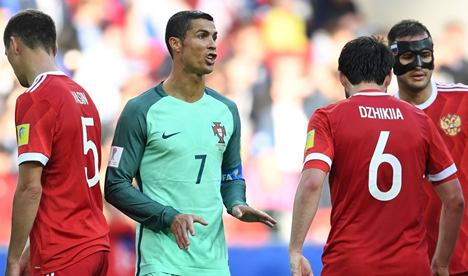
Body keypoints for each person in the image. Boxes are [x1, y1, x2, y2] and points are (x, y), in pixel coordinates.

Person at [104, 10, 277, 276]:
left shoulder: (226, 110)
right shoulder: (140, 109)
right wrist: (169, 217)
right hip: (161, 263)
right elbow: (115, 185)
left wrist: (236, 203)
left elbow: (230, 175)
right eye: (202, 36)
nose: (212, 44)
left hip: (214, 263)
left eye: (215, 37)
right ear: (176, 44)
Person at [288, 35, 464, 276]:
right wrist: (441, 263)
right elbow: (455, 199)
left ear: (342, 77)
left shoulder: (327, 118)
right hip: (410, 266)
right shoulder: (420, 120)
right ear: (389, 77)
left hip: (349, 263)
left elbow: (311, 183)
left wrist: (296, 249)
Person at [3, 9, 110, 276]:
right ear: (55, 47)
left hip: (63, 255)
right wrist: (32, 250)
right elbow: (67, 180)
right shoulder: (83, 97)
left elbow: (30, 188)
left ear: (15, 45)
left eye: (8, 57)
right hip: (96, 247)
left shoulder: (35, 98)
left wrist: (13, 259)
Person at [387, 19, 468, 276]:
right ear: (392, 62)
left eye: (425, 55)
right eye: (408, 56)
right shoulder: (380, 114)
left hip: (461, 258)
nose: (418, 65)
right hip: (405, 260)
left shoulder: (463, 101)